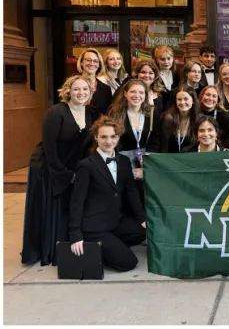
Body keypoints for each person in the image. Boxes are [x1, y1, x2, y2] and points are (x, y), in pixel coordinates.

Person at [21, 75, 95, 266]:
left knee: (65, 210)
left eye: (85, 89)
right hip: (48, 168)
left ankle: (63, 249)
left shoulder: (89, 113)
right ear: (68, 91)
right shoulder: (55, 112)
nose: (81, 93)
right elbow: (49, 147)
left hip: (71, 168)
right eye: (76, 89)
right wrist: (63, 174)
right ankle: (47, 250)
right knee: (50, 211)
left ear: (90, 92)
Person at [68, 116, 146, 272]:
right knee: (129, 263)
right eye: (103, 137)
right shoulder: (86, 166)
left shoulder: (123, 161)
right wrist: (75, 235)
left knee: (141, 232)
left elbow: (131, 192)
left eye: (112, 136)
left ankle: (110, 245)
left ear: (118, 137)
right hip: (95, 226)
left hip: (114, 220)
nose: (108, 141)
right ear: (96, 138)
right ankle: (100, 250)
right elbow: (77, 201)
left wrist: (142, 218)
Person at [106, 78, 162, 205]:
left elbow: (155, 140)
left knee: (143, 202)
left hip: (146, 164)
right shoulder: (115, 114)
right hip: (122, 163)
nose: (137, 95)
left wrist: (147, 161)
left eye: (141, 93)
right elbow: (112, 142)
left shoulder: (152, 113)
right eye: (133, 92)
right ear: (125, 93)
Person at [160, 85, 199, 153]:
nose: (182, 102)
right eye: (179, 99)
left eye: (186, 99)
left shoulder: (198, 119)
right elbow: (164, 146)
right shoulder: (168, 118)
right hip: (171, 159)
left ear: (193, 100)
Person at [91, 49, 128, 118]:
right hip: (108, 117)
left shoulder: (125, 78)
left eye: (118, 58)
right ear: (106, 62)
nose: (116, 61)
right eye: (112, 59)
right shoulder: (101, 80)